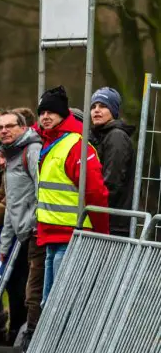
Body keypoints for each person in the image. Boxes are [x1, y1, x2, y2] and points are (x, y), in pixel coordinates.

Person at [35, 86, 109, 305]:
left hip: (73, 235)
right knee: (49, 304)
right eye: (42, 112)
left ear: (63, 114)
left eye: (51, 112)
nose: (45, 116)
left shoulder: (76, 146)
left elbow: (96, 192)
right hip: (52, 235)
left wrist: (102, 232)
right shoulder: (50, 142)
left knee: (60, 304)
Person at [0, 110, 43, 353]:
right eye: (0, 127)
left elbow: (41, 191)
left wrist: (35, 223)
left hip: (36, 233)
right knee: (25, 294)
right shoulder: (11, 155)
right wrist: (5, 243)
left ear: (22, 127)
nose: (4, 131)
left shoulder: (31, 151)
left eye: (9, 126)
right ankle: (20, 347)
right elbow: (11, 204)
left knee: (32, 295)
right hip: (22, 234)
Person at [89, 87, 135, 236]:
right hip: (103, 220)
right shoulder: (97, 137)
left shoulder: (116, 137)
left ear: (113, 111)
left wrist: (95, 211)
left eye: (103, 106)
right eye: (93, 106)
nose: (96, 110)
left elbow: (112, 182)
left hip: (112, 223)